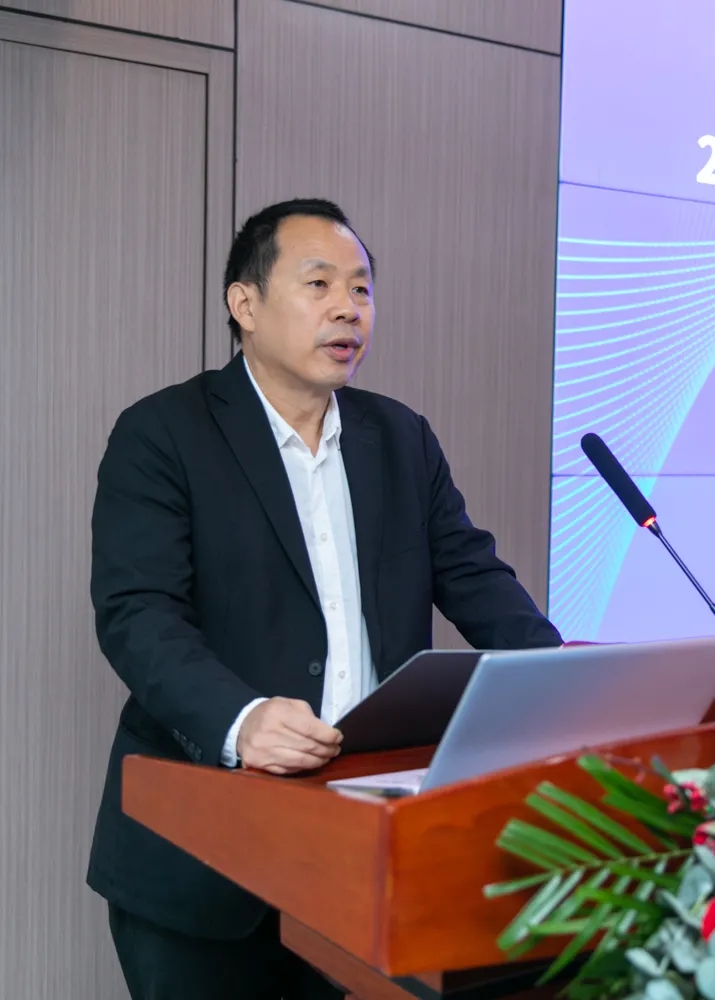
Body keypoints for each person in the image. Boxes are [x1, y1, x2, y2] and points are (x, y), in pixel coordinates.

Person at [87, 198, 563, 999]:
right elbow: (138, 613)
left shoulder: (400, 437)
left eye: (362, 288)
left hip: (363, 849)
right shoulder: (163, 433)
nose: (348, 308)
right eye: (319, 284)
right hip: (203, 865)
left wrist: (562, 685)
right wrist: (240, 719)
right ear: (245, 304)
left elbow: (476, 579)